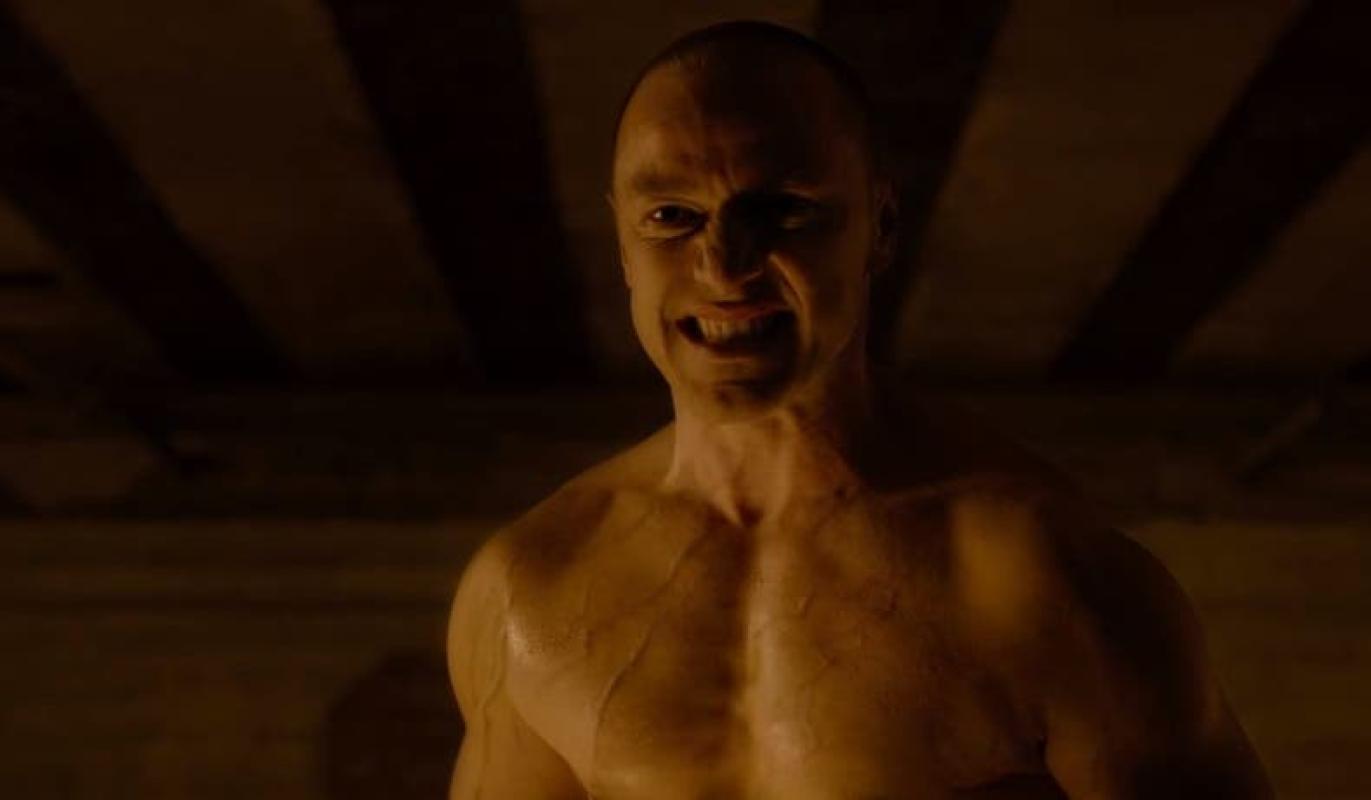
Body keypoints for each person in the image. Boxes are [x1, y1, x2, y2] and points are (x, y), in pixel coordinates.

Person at [446, 21, 1273, 799]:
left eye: (782, 210)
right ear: (623, 244)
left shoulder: (1034, 577)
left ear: (878, 228)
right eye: (671, 217)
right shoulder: (529, 591)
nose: (724, 265)